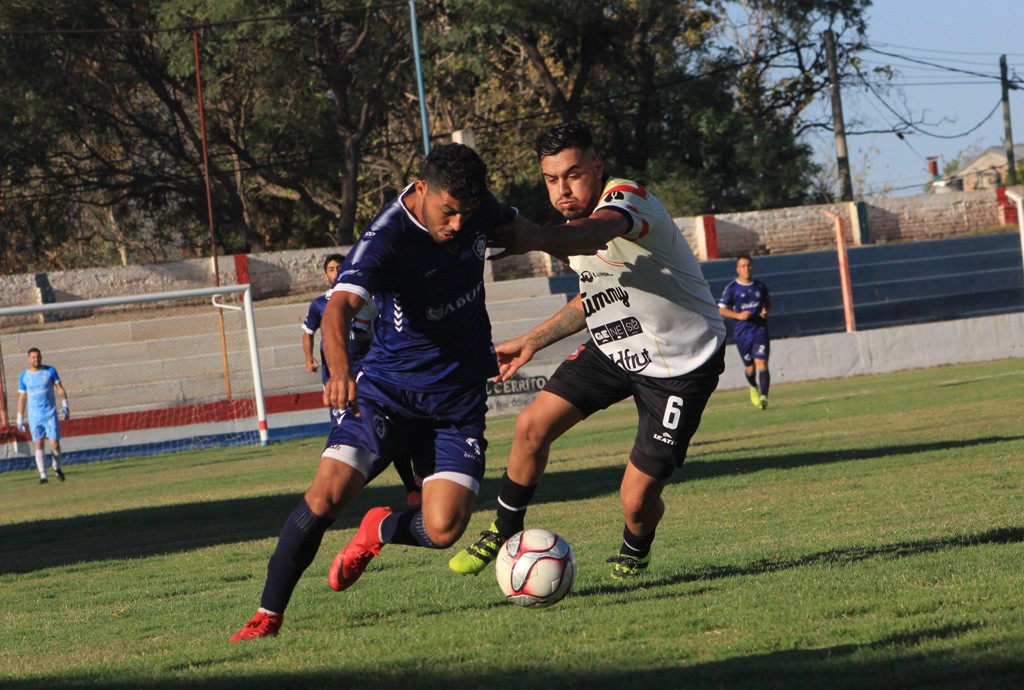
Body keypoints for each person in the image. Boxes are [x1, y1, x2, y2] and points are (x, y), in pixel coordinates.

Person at [231, 143, 516, 641]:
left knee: (444, 529)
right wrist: (339, 370)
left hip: (457, 400)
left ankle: (378, 529)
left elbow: (526, 231)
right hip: (387, 391)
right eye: (447, 212)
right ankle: (267, 616)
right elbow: (338, 307)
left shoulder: (474, 209)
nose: (455, 225)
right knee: (328, 494)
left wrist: (581, 242)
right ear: (421, 189)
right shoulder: (386, 236)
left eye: (465, 215)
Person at [448, 120, 727, 581]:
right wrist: (534, 340)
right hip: (615, 346)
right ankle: (503, 529)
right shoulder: (571, 230)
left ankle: (636, 546)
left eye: (573, 174)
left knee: (637, 500)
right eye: (552, 179)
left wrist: (536, 237)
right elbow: (597, 294)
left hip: (683, 364)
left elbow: (602, 231)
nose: (562, 189)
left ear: (597, 167)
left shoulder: (626, 198)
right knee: (531, 425)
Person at [302, 255, 421, 506]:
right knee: (345, 432)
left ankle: (412, 486)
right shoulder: (320, 304)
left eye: (339, 268)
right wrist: (308, 357)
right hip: (337, 380)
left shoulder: (367, 299)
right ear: (325, 275)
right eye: (331, 269)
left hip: (369, 375)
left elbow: (377, 332)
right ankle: (335, 487)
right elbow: (308, 332)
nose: (335, 272)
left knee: (390, 429)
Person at [717, 256, 771, 410]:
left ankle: (764, 397)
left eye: (748, 265)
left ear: (752, 267)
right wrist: (738, 316)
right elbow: (721, 309)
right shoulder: (732, 288)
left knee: (762, 362)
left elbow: (767, 302)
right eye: (743, 266)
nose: (746, 268)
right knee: (750, 368)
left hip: (760, 329)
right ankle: (753, 386)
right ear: (738, 269)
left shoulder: (760, 286)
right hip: (742, 333)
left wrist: (765, 311)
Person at [16, 348, 69, 484]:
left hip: (50, 414)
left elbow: (60, 389)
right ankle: (43, 476)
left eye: (38, 357)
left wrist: (65, 405)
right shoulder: (24, 376)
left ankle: (56, 467)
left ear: (41, 357)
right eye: (33, 357)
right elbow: (22, 398)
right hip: (35, 417)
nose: (36, 359)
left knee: (55, 444)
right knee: (39, 444)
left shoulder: (50, 371)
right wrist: (19, 418)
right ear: (29, 359)